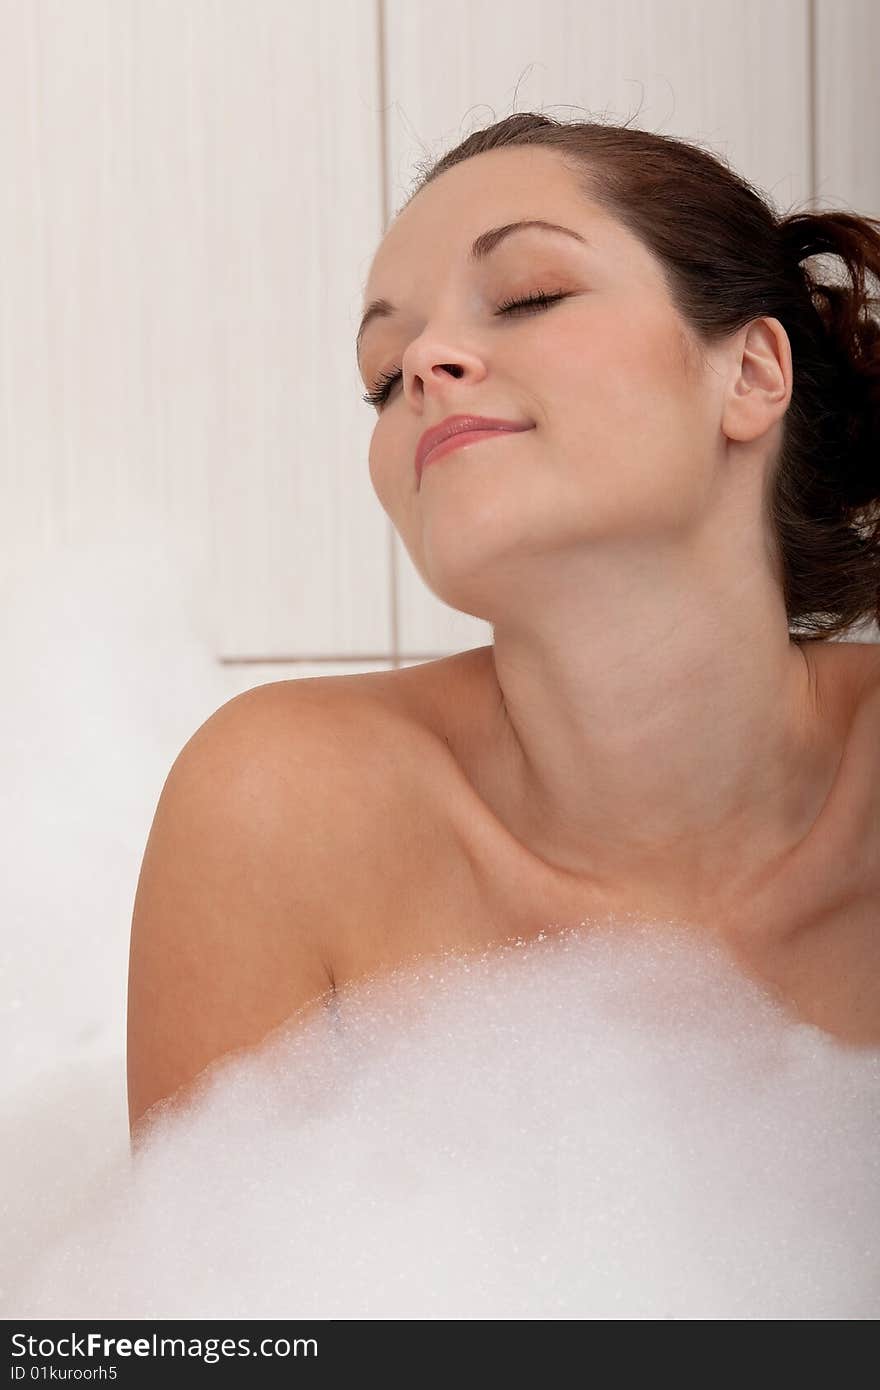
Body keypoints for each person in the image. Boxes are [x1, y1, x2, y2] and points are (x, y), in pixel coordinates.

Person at [127, 114, 880, 1140]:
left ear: (750, 374)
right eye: (386, 373)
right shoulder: (282, 808)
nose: (427, 363)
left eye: (528, 297)